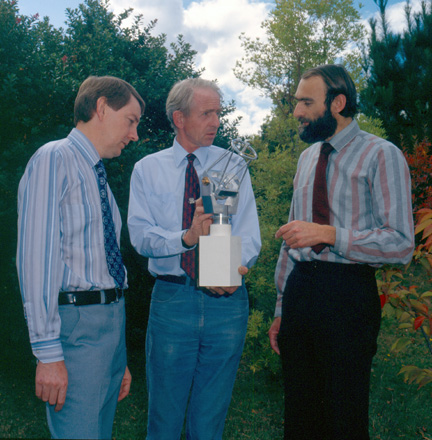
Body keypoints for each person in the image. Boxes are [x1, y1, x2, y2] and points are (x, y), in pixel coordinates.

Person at [268, 64, 414, 440]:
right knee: (299, 416)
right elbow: (293, 236)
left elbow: (400, 243)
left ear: (338, 103)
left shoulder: (382, 155)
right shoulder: (306, 158)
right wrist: (282, 307)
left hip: (348, 295)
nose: (296, 111)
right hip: (301, 293)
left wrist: (332, 235)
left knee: (344, 417)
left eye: (305, 102)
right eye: (296, 102)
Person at [128, 77, 261, 439]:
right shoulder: (147, 169)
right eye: (206, 113)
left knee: (209, 422)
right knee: (164, 420)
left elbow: (248, 233)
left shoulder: (231, 166)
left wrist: (234, 270)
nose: (216, 121)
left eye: (218, 112)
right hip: (172, 301)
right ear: (179, 118)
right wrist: (186, 238)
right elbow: (140, 236)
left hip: (226, 302)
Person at [16, 75, 145, 439]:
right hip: (75, 331)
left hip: (108, 329)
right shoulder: (54, 159)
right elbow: (35, 260)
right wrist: (47, 353)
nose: (134, 134)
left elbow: (105, 266)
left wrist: (118, 357)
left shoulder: (97, 176)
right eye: (131, 120)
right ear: (102, 108)